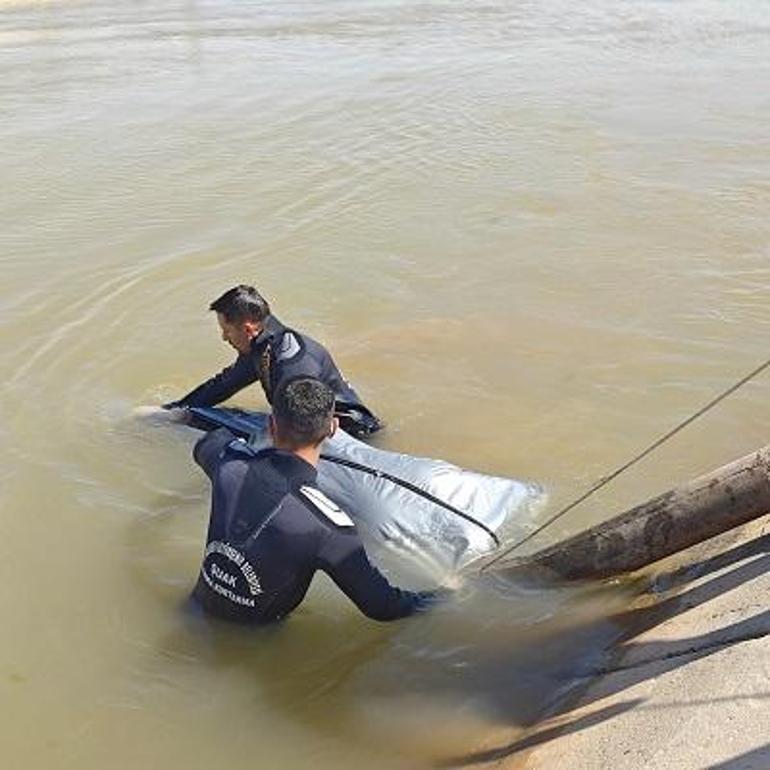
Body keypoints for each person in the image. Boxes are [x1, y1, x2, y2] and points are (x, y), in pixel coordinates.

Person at [191, 377, 439, 623]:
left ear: (271, 425)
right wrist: (439, 600)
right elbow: (383, 606)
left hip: (193, 614)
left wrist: (250, 450)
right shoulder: (329, 526)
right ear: (333, 428)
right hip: (254, 642)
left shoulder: (228, 465)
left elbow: (207, 443)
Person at [165, 284, 383, 437]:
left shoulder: (291, 363)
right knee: (193, 416)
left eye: (227, 331)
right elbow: (223, 385)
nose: (224, 338)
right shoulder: (261, 346)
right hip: (309, 426)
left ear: (248, 328)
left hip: (353, 435)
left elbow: (307, 423)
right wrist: (171, 410)